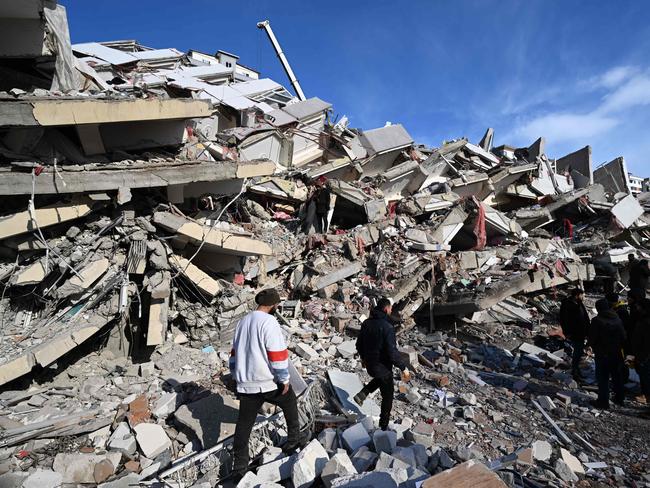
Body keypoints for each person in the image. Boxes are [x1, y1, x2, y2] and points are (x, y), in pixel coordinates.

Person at [229, 289, 301, 479]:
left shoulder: (242, 322)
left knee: (243, 425)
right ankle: (294, 440)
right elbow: (277, 353)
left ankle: (239, 468)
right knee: (289, 400)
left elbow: (234, 354)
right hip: (267, 381)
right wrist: (284, 378)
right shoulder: (269, 322)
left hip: (246, 382)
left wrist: (236, 375)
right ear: (273, 305)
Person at [354, 298, 411, 431]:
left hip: (370, 365)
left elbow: (359, 344)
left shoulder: (367, 323)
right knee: (388, 396)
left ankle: (362, 394)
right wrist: (403, 367)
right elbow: (392, 352)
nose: (391, 310)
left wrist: (363, 358)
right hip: (382, 366)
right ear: (386, 309)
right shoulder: (387, 327)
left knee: (382, 378)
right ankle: (383, 426)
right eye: (391, 308)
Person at [588, 299, 626, 409]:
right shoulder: (617, 319)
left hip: (602, 354)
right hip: (617, 353)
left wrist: (591, 346)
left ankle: (603, 402)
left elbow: (592, 338)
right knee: (617, 377)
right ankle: (620, 399)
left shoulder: (597, 320)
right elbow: (623, 336)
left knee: (603, 378)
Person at [559, 288, 590, 379]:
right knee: (578, 351)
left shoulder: (579, 303)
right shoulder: (567, 305)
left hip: (581, 332)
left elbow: (585, 317)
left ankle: (576, 369)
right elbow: (563, 320)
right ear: (577, 295)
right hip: (575, 333)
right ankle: (575, 370)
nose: (583, 297)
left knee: (579, 351)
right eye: (582, 295)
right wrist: (567, 332)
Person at [631, 295, 650, 412]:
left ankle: (647, 398)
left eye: (639, 306)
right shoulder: (642, 319)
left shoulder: (646, 322)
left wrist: (643, 357)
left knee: (646, 377)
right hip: (642, 354)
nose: (636, 308)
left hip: (645, 355)